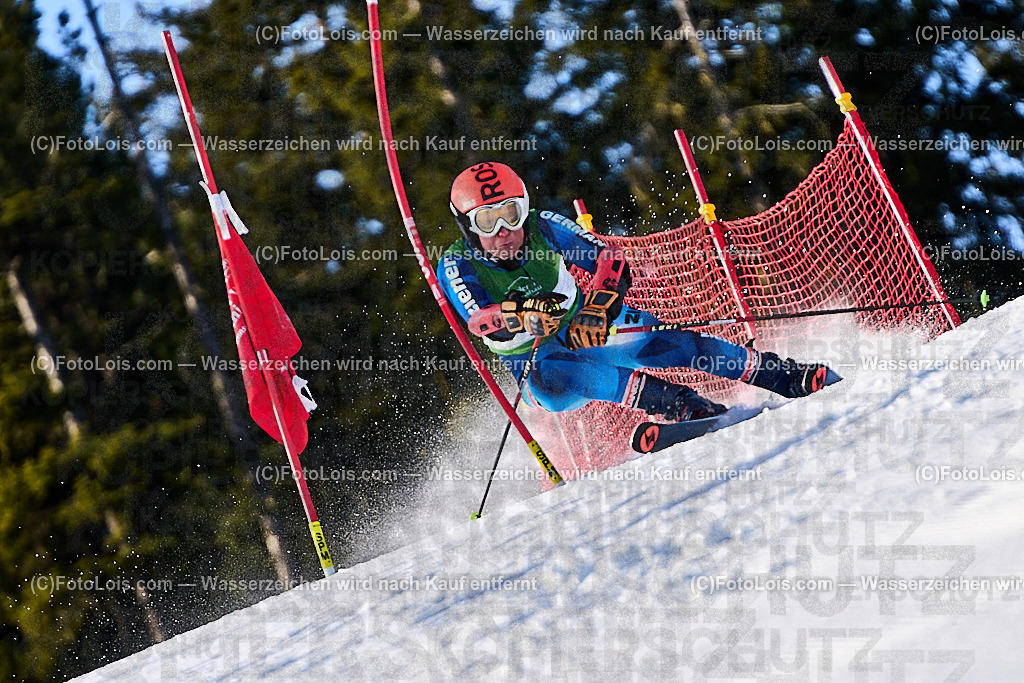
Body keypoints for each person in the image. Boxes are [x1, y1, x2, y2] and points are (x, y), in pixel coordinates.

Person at [436, 161, 838, 422]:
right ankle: (676, 402)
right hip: (537, 360)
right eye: (487, 221)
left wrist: (599, 305)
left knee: (674, 344)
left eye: (511, 214)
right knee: (557, 379)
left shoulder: (544, 227)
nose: (503, 231)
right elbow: (481, 321)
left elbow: (609, 258)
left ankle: (778, 373)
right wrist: (522, 315)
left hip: (584, 326)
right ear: (468, 227)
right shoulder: (457, 263)